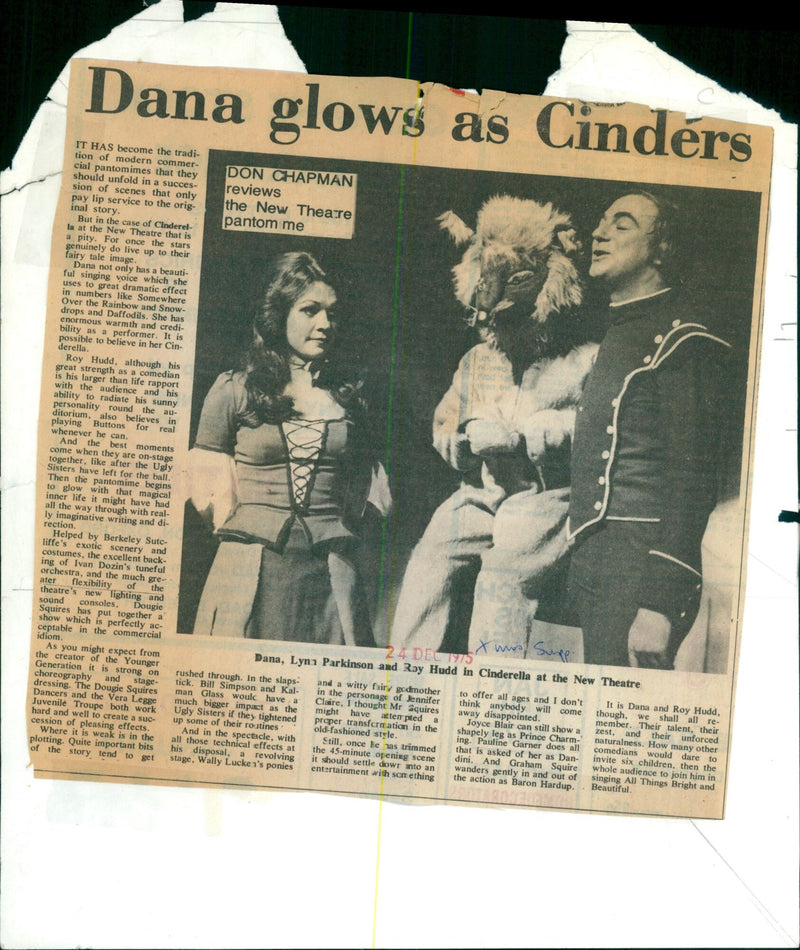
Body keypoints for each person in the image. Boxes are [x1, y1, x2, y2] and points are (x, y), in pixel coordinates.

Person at [567, 192, 731, 669]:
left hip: (639, 567)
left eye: (622, 225)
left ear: (661, 250)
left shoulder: (682, 338)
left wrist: (660, 602)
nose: (598, 234)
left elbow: (694, 476)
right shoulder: (618, 328)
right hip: (596, 562)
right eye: (600, 221)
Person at [188, 251, 385, 645]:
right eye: (310, 310)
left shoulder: (351, 400)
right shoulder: (235, 389)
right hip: (249, 571)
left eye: (332, 313)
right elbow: (205, 493)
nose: (325, 324)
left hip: (331, 577)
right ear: (280, 314)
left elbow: (365, 492)